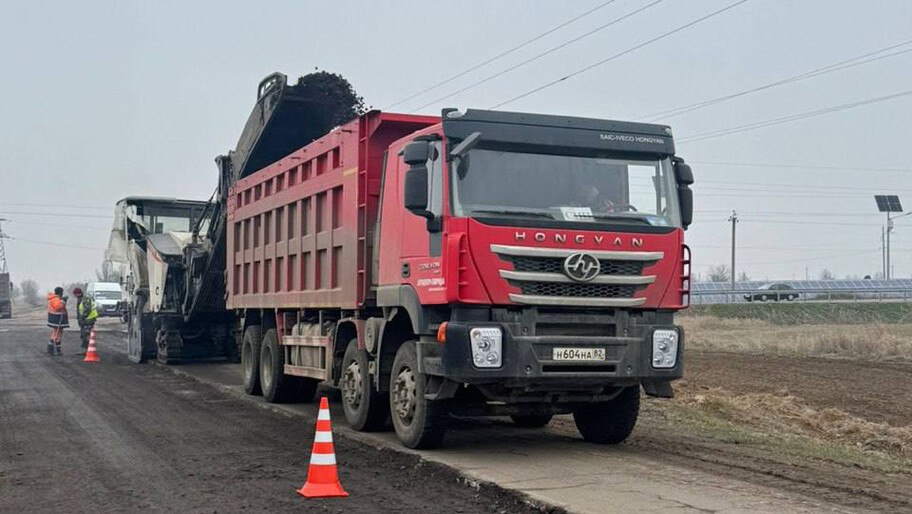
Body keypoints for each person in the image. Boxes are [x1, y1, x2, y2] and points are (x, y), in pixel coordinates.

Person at [72, 287, 98, 352]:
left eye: (75, 294)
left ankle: (87, 350)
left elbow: (87, 309)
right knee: (84, 334)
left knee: (86, 335)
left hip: (88, 319)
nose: (74, 296)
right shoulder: (81, 299)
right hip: (86, 319)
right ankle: (86, 350)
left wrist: (82, 318)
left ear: (78, 293)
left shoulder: (85, 299)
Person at [46, 287, 69, 356]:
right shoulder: (55, 299)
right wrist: (63, 301)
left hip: (55, 318)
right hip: (57, 319)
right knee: (57, 334)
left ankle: (51, 349)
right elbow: (57, 307)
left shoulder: (53, 298)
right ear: (60, 292)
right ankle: (55, 350)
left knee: (57, 333)